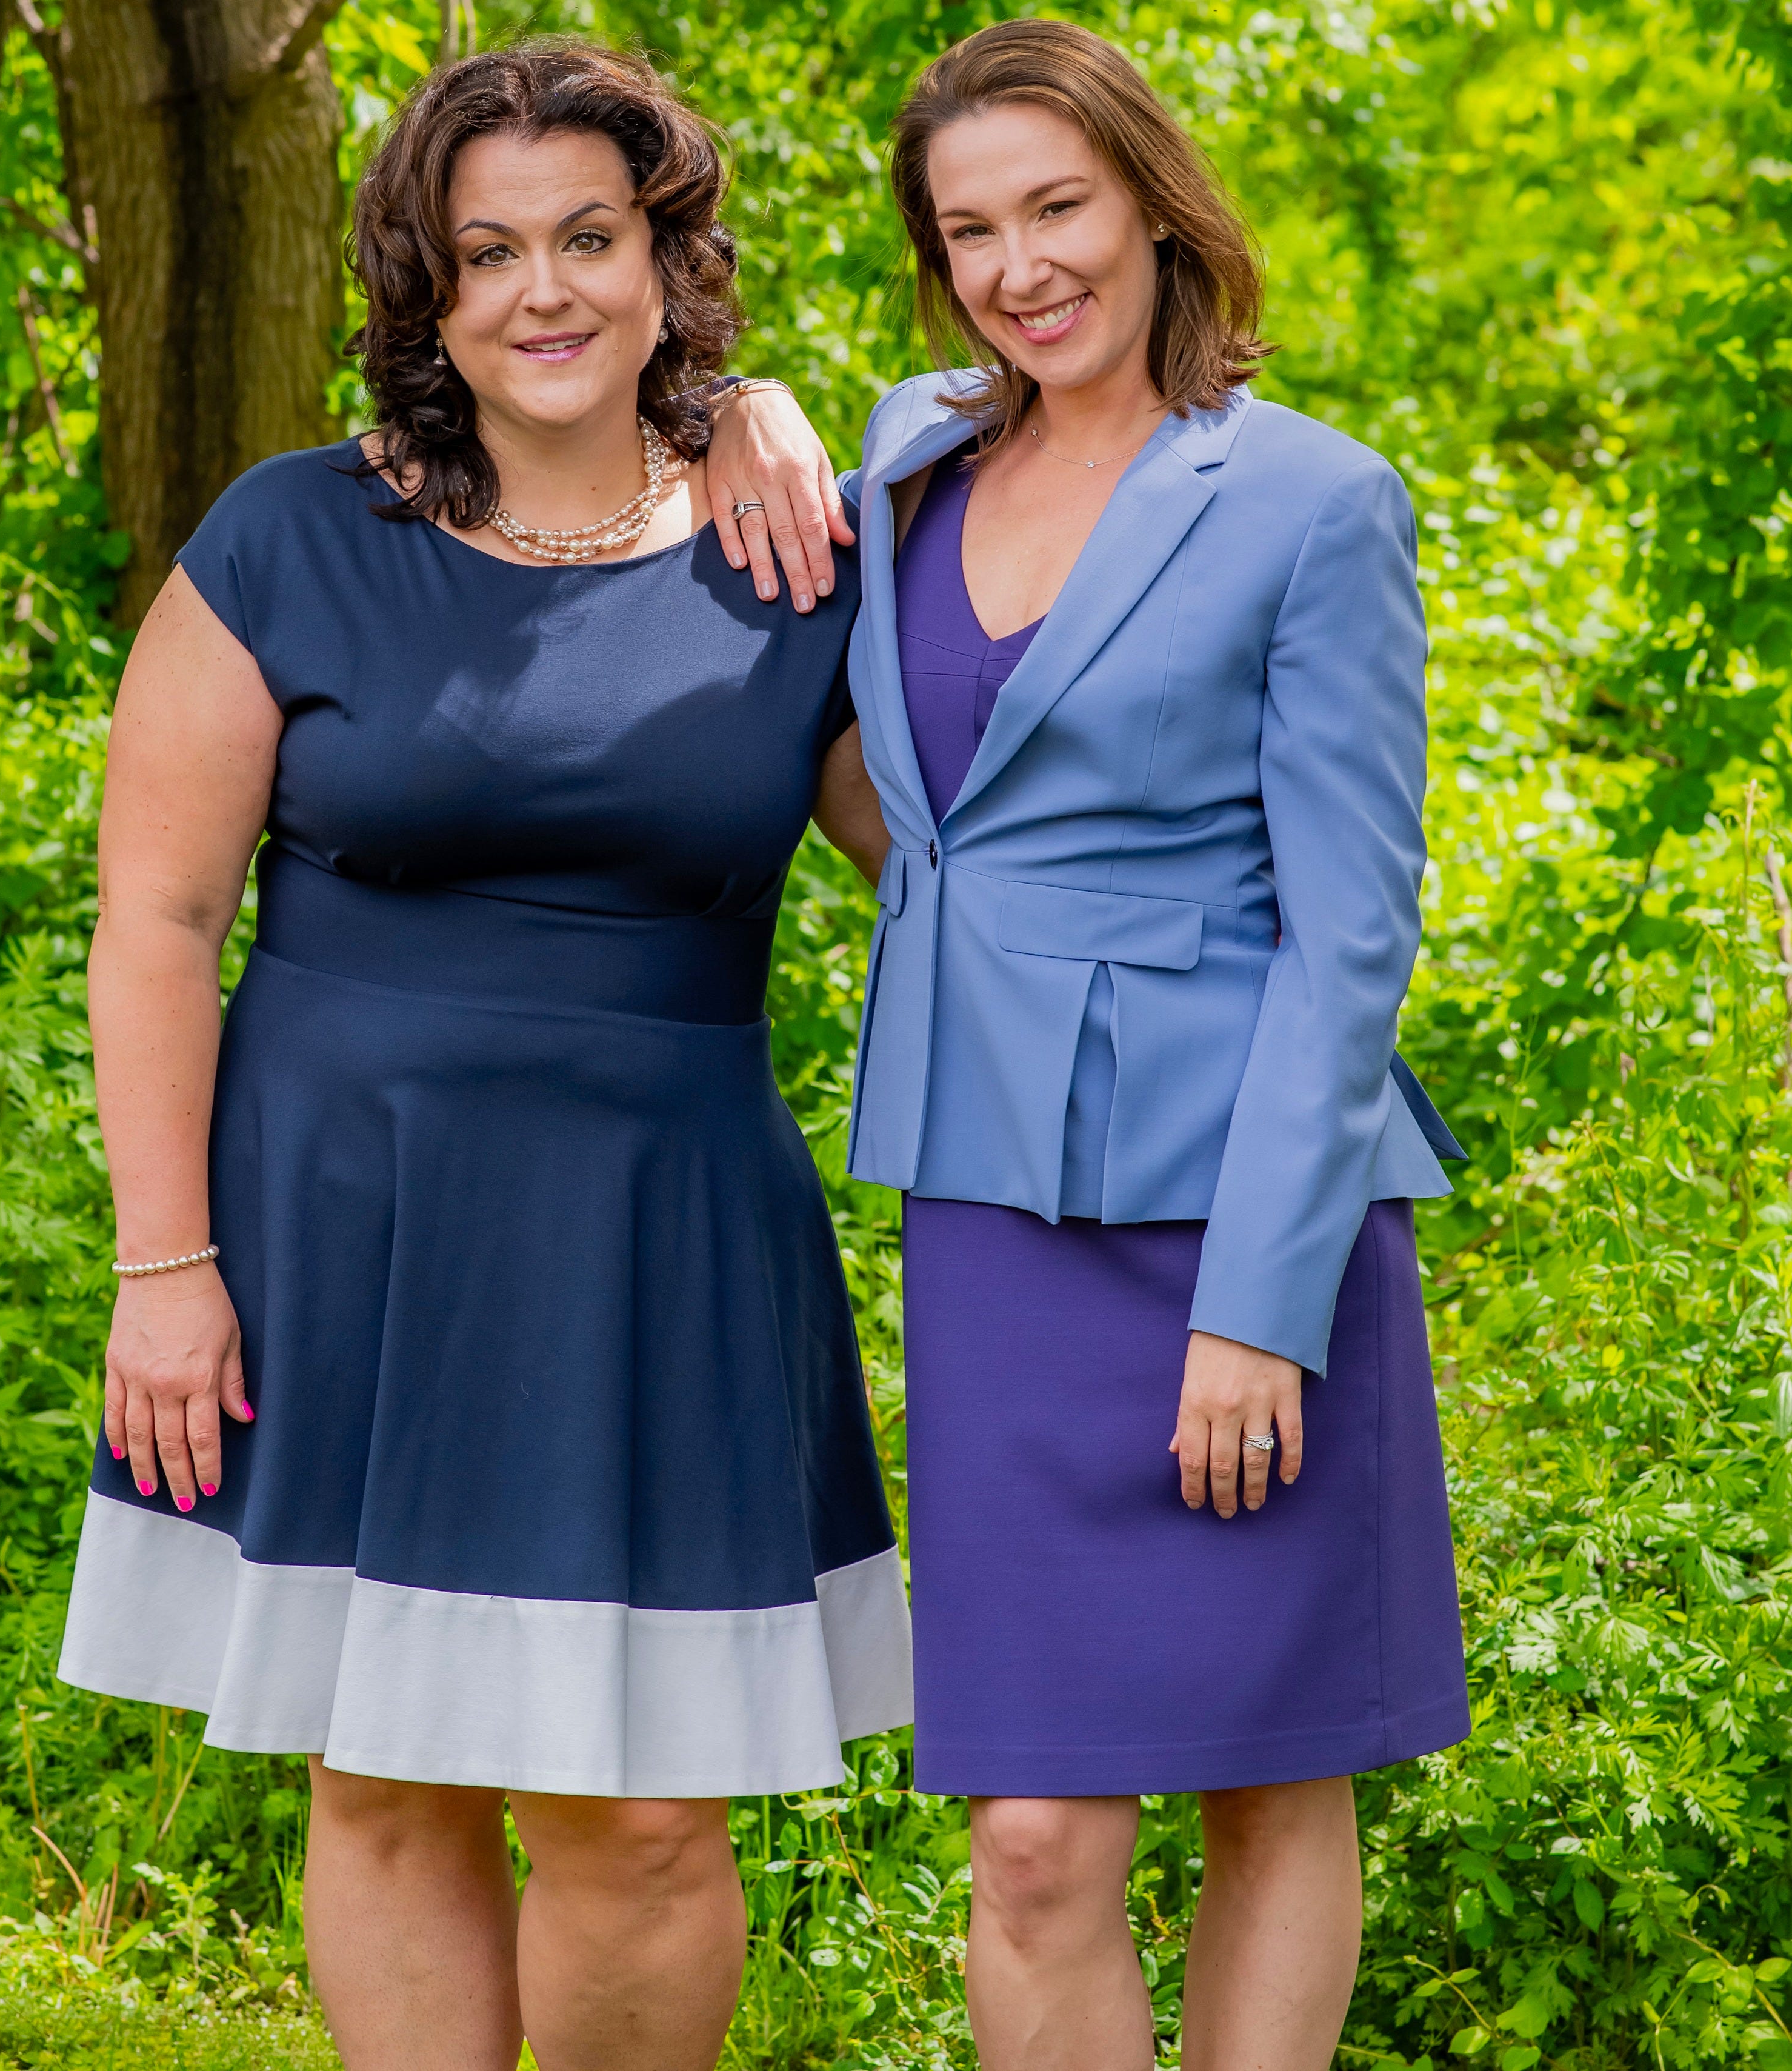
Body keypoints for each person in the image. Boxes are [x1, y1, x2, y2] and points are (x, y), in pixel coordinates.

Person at [55, 45, 909, 2071]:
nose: (544, 291)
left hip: (662, 1234)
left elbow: (952, 869)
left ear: (667, 261)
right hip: (346, 1222)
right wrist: (163, 1265)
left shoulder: (799, 552)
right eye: (488, 251)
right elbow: (157, 921)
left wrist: (818, 422)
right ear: (425, 293)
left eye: (589, 239)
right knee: (385, 1772)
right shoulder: (290, 537)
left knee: (644, 1809)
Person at [820, 20, 1473, 2069]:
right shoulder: (903, 456)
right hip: (988, 1212)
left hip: (1241, 1221)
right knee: (1030, 1837)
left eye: (1057, 208)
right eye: (970, 230)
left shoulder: (1308, 501)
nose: (1020, 267)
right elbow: (901, 792)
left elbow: (1349, 934)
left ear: (1152, 206)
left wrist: (1256, 1307)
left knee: (1273, 1768)